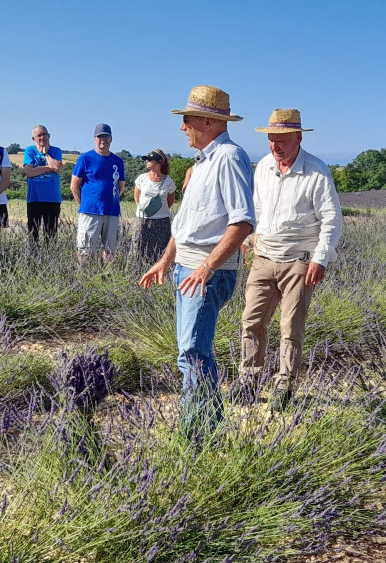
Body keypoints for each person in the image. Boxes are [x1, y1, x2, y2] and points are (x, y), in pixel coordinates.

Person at [139, 85, 255, 442]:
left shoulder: (230, 158)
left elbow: (243, 221)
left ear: (208, 120)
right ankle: (207, 428)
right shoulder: (202, 162)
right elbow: (188, 222)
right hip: (185, 268)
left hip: (206, 272)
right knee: (191, 352)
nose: (182, 126)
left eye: (187, 119)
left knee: (193, 353)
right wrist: (165, 260)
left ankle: (199, 436)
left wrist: (207, 267)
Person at [239, 109, 342, 411]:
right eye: (272, 139)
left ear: (298, 137)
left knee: (290, 327)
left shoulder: (316, 171)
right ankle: (250, 379)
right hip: (263, 255)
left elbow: (331, 218)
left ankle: (285, 384)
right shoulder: (263, 168)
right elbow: (255, 207)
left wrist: (320, 258)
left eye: (282, 139)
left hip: (299, 260)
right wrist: (247, 241)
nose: (275, 146)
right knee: (251, 321)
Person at [70, 124, 125, 262]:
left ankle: (108, 276)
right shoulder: (85, 158)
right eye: (100, 136)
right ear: (95, 139)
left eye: (106, 136)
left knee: (110, 250)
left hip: (111, 211)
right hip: (90, 211)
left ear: (111, 139)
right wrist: (85, 204)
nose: (103, 140)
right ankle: (84, 277)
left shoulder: (118, 161)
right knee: (85, 250)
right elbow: (74, 186)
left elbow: (120, 186)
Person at [133, 149, 177, 261]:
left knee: (160, 251)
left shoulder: (168, 181)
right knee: (138, 248)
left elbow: (170, 201)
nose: (146, 161)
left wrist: (158, 210)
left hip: (162, 221)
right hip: (142, 219)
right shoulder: (142, 178)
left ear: (159, 162)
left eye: (150, 159)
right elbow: (137, 197)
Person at [23, 125, 63, 243]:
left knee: (51, 234)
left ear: (49, 136)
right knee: (33, 233)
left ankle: (49, 258)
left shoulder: (56, 151)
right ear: (33, 138)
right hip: (34, 198)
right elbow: (29, 172)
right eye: (39, 135)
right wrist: (48, 168)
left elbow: (57, 167)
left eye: (44, 134)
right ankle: (34, 256)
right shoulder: (30, 151)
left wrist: (46, 154)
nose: (42, 137)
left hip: (52, 198)